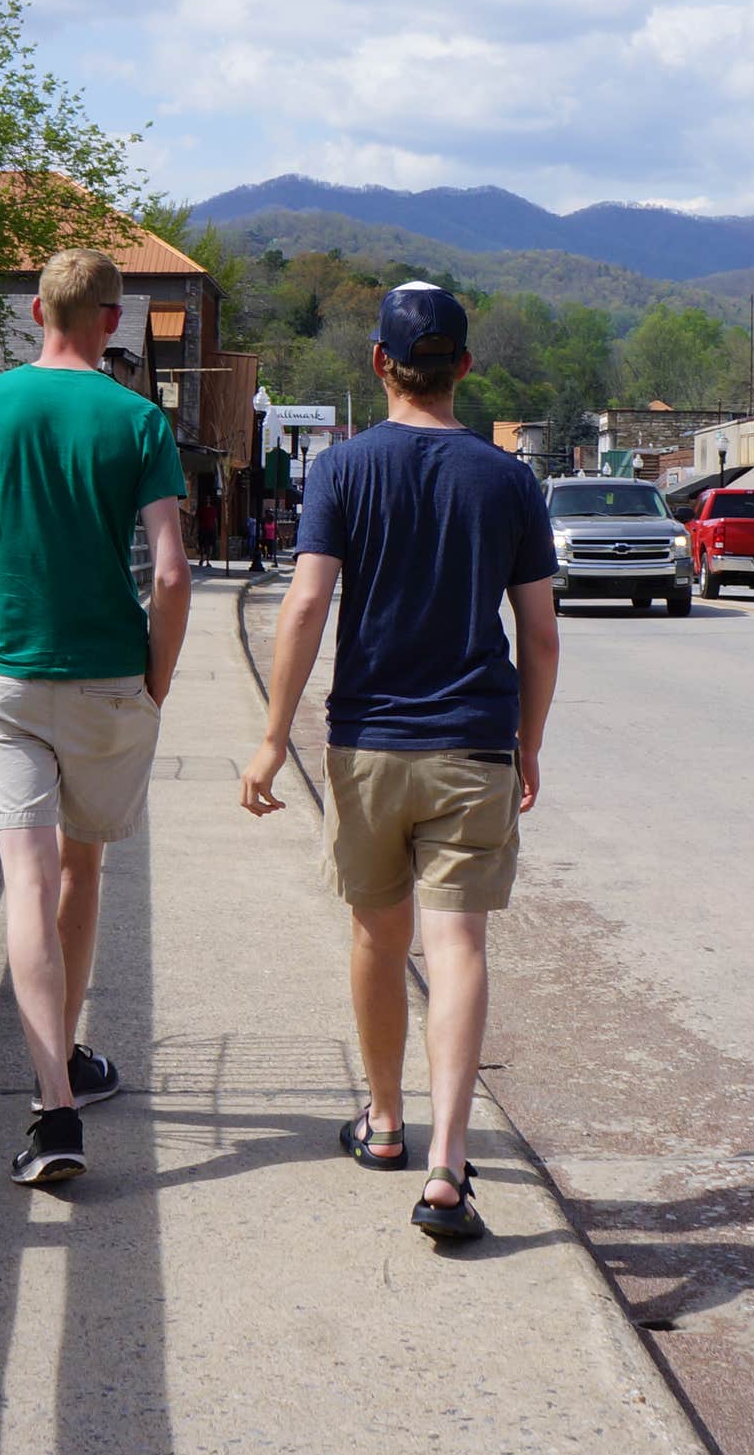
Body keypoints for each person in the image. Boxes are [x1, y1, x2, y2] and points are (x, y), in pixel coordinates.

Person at [239, 283, 558, 1245]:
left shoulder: (341, 470)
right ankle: (448, 1166)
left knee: (381, 940)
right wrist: (528, 743)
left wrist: (270, 736)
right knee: (458, 948)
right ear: (465, 365)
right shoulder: (509, 481)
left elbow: (303, 608)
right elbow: (539, 634)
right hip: (473, 744)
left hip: (369, 744)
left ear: (379, 362)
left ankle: (382, 1123)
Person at [0, 248, 193, 1187]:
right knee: (83, 870)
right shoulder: (138, 419)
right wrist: (155, 680)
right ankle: (70, 1055)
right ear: (112, 322)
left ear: (37, 310)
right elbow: (168, 570)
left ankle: (55, 1108)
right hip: (109, 678)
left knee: (25, 885)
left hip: (3, 676)